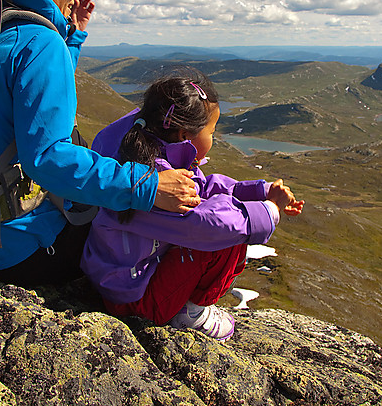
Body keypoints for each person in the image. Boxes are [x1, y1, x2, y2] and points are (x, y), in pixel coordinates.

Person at [0, 0, 201, 285]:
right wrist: (150, 187)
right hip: (11, 248)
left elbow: (29, 99)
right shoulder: (40, 44)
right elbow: (48, 156)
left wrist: (71, 35)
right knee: (141, 233)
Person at [80, 71, 304, 340]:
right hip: (133, 302)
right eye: (212, 130)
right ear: (186, 133)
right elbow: (207, 224)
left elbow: (204, 188)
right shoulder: (156, 180)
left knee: (229, 217)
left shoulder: (149, 154)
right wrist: (268, 212)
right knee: (230, 239)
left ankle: (182, 304)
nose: (214, 137)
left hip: (119, 282)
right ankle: (192, 314)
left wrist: (260, 191)